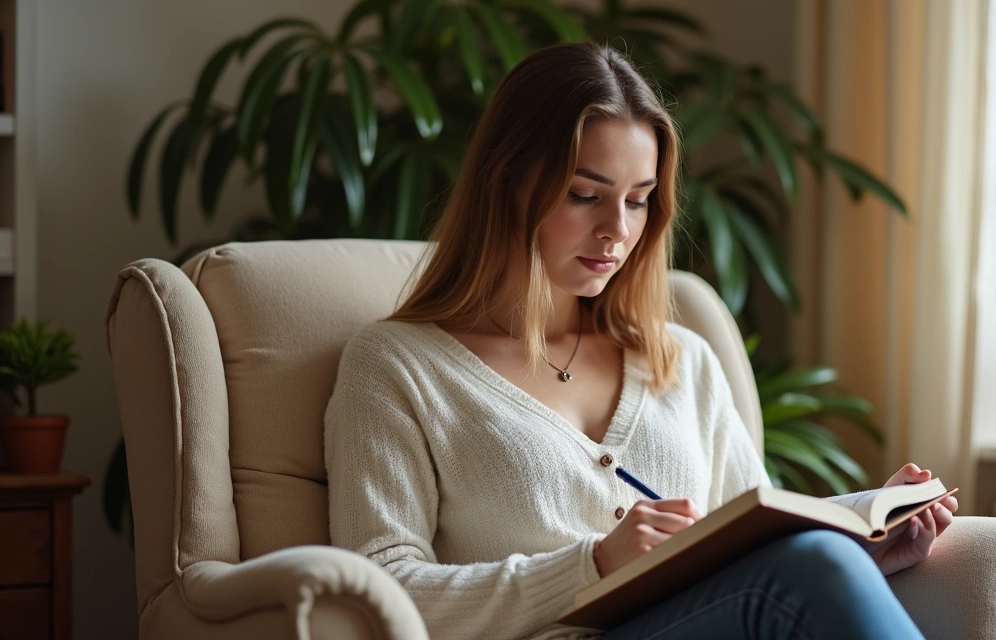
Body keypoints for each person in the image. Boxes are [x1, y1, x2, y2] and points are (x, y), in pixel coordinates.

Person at [324, 41, 958, 640]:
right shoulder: (398, 366)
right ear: (507, 180)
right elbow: (376, 592)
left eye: (639, 200)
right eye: (585, 195)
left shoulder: (682, 359)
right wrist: (592, 565)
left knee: (820, 554)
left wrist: (864, 535)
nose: (616, 231)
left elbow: (752, 537)